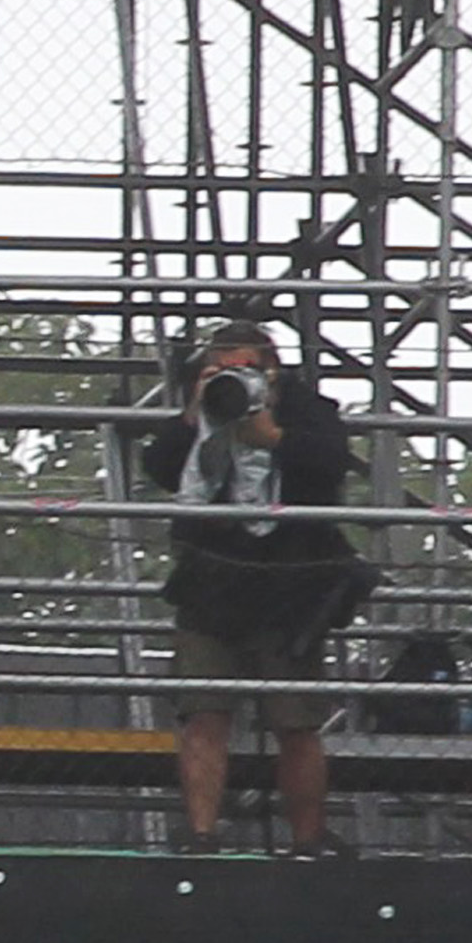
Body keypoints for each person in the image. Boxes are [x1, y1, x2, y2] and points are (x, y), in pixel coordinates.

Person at [140, 321, 365, 857]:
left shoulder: (307, 409)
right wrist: (197, 414)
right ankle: (200, 834)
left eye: (243, 369)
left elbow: (332, 463)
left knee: (296, 721)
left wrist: (272, 437)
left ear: (271, 368)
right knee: (203, 712)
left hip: (289, 589)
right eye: (220, 370)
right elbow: (160, 468)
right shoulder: (204, 414)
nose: (233, 381)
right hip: (212, 585)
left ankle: (308, 840)